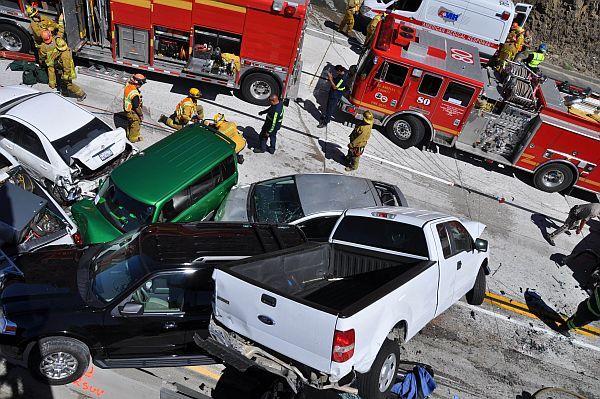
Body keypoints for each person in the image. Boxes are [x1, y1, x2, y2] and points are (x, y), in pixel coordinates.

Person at [123, 74, 146, 142]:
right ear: (139, 83)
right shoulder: (134, 94)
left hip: (127, 109)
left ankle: (128, 134)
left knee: (130, 122)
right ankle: (133, 138)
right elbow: (136, 107)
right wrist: (141, 115)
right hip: (132, 111)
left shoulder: (128, 85)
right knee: (135, 123)